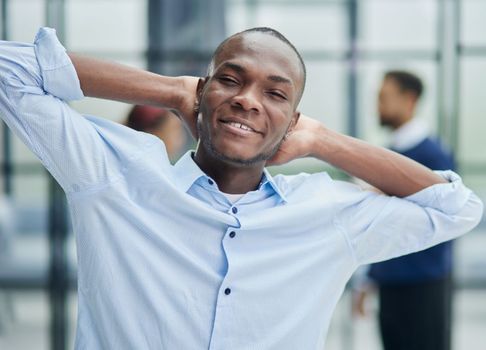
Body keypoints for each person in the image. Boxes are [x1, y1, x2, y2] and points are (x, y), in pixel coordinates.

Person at [0, 27, 482, 350]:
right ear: (203, 93)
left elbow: (455, 207)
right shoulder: (115, 178)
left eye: (274, 94)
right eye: (230, 81)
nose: (248, 101)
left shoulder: (326, 212)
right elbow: (11, 70)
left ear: (291, 120)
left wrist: (320, 140)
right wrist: (169, 90)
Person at [353, 71, 457, 350]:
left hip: (422, 288)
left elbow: (441, 225)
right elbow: (381, 225)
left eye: (384, 98)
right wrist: (369, 281)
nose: (378, 106)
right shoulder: (390, 154)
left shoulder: (434, 157)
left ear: (409, 100)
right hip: (392, 286)